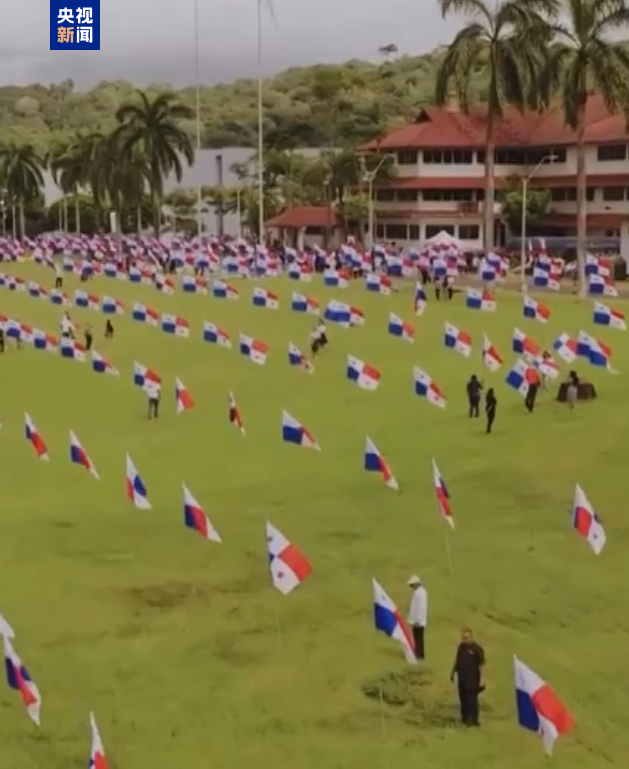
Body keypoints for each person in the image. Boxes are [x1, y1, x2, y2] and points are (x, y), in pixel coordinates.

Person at [450, 628, 485, 727]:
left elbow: (481, 665)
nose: (464, 639)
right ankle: (464, 718)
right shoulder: (461, 647)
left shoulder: (477, 649)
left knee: (471, 699)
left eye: (466, 637)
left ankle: (473, 719)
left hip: (472, 678)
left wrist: (482, 679)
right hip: (462, 678)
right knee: (463, 698)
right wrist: (453, 672)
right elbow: (458, 660)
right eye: (463, 637)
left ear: (471, 637)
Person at [407, 575, 427, 661]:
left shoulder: (420, 593)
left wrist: (417, 620)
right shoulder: (420, 592)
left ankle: (418, 655)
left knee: (418, 638)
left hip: (418, 621)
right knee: (419, 638)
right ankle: (420, 654)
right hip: (418, 620)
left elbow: (421, 608)